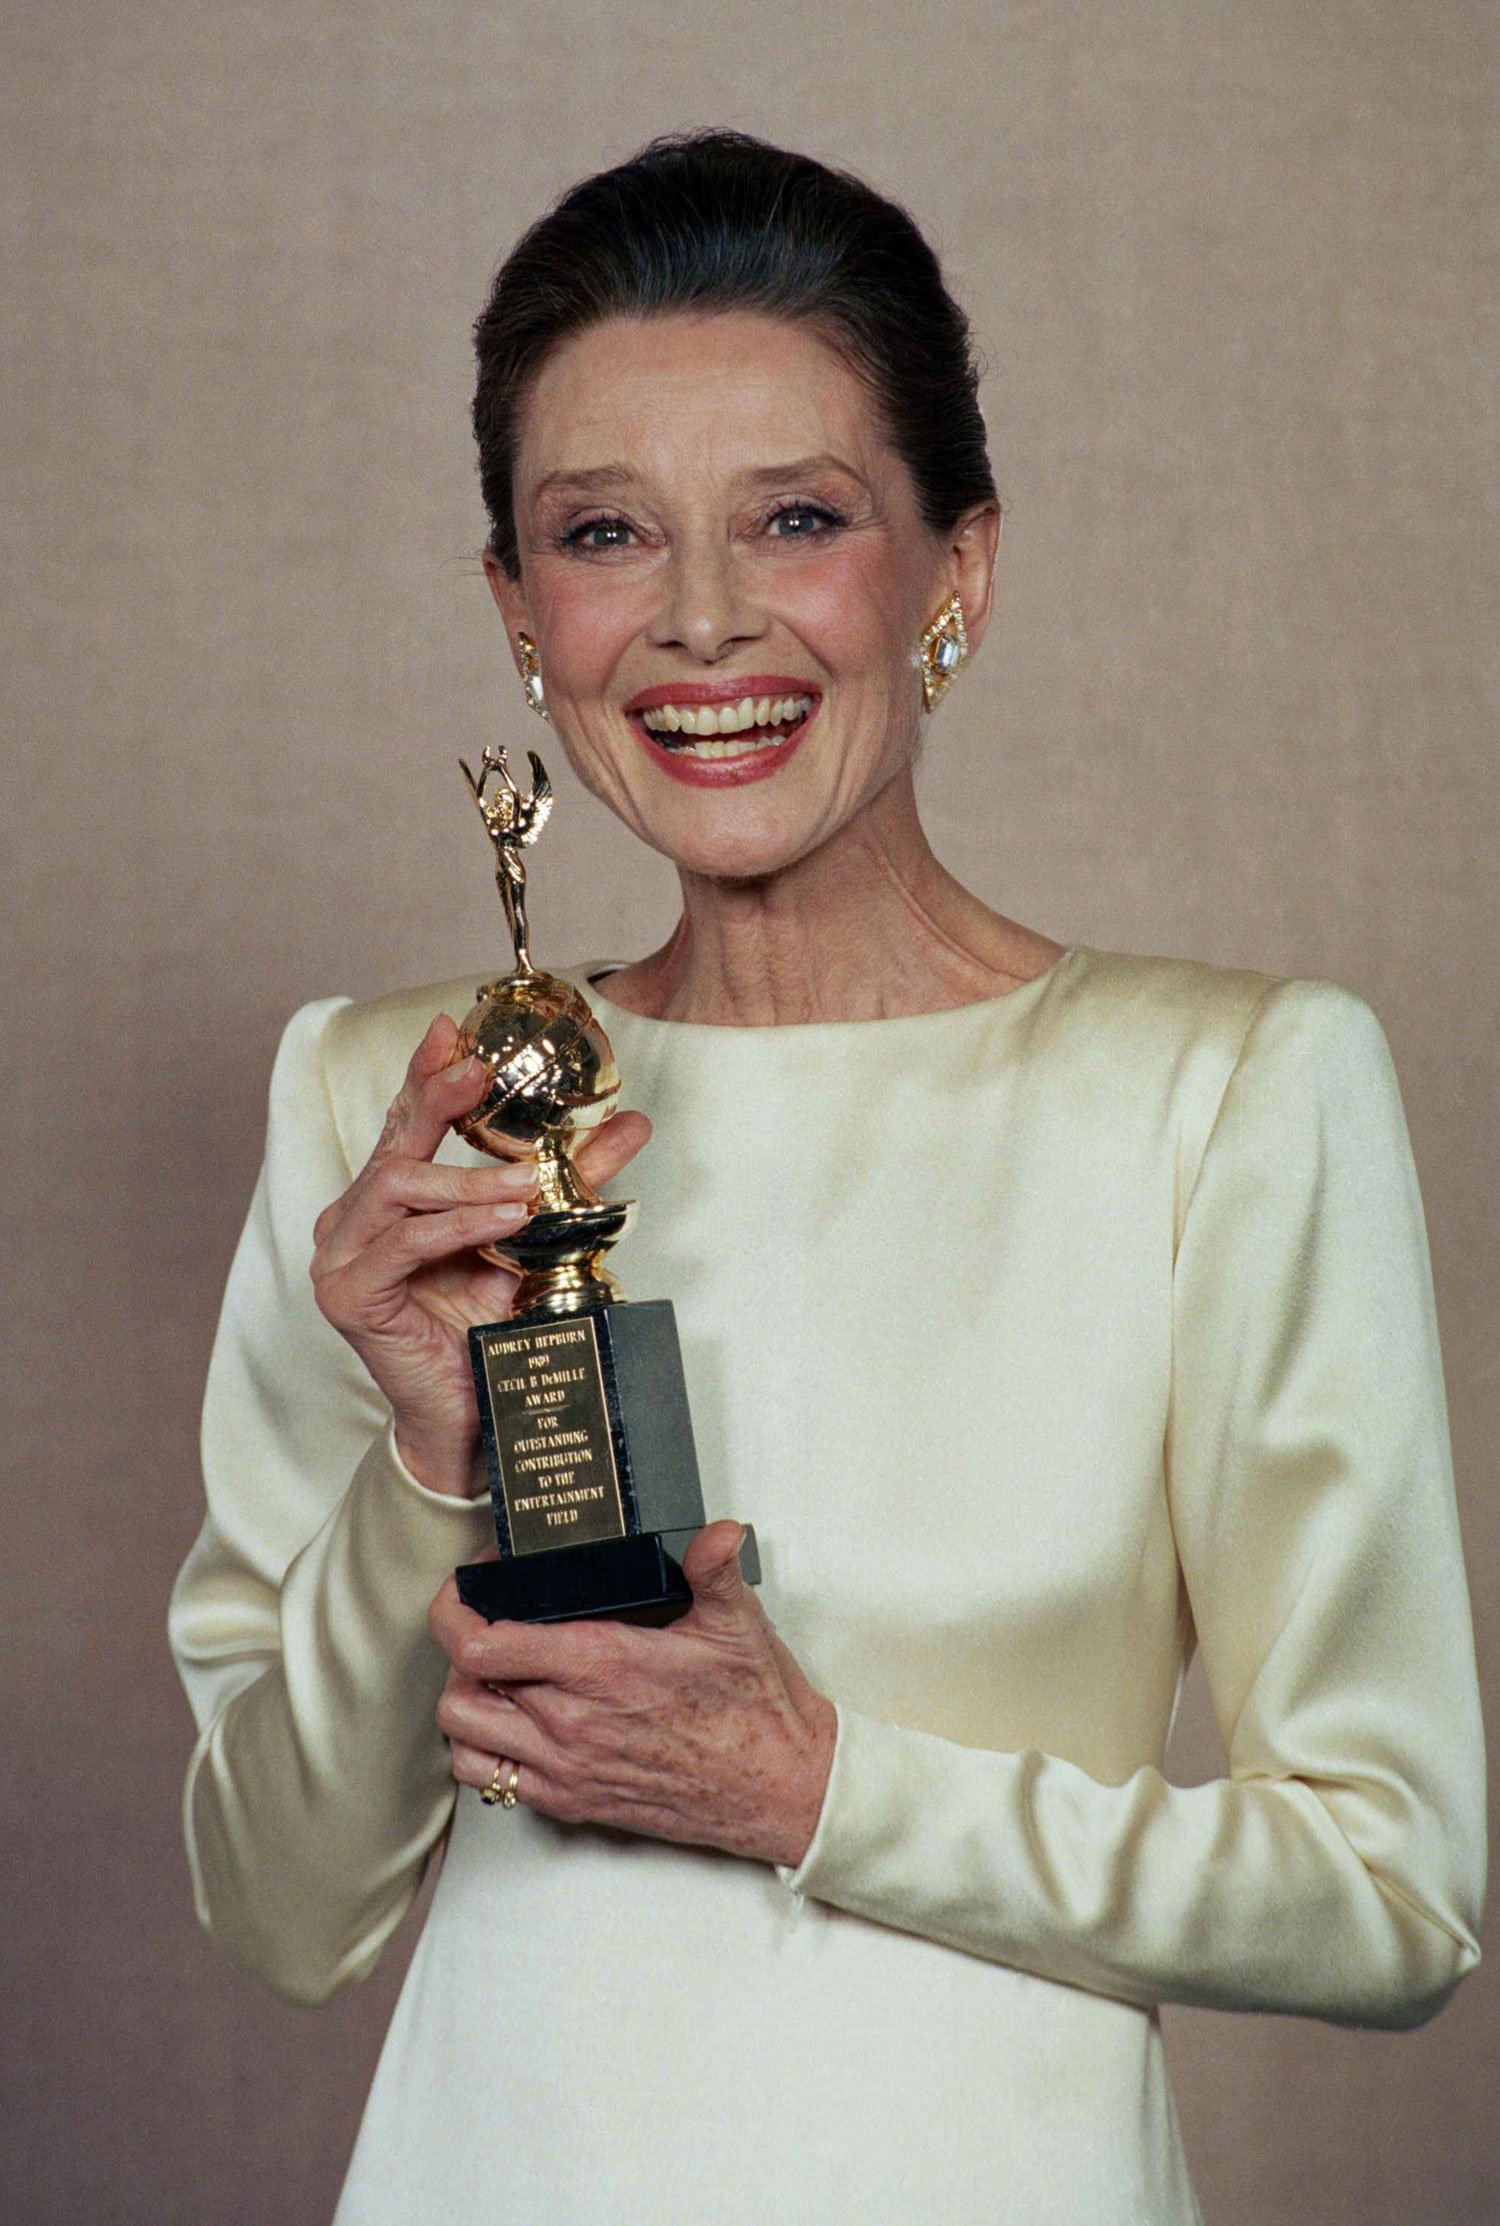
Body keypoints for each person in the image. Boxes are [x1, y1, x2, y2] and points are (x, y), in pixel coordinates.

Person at [168, 129, 1486, 2225]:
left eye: (797, 517)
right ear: (521, 609)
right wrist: (423, 1463)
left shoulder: (1225, 1093)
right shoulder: (397, 1106)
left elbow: (1396, 1891)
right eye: (605, 531)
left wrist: (818, 1788)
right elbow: (280, 1911)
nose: (701, 621)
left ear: (957, 567)